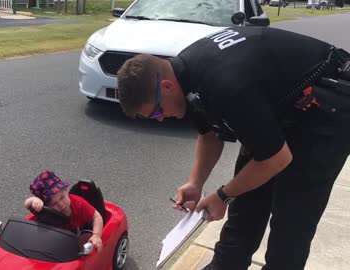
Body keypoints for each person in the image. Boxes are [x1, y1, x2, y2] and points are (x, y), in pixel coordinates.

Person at [116, 26, 350, 270]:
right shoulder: (186, 75)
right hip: (279, 106)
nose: (161, 119)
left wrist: (223, 195)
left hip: (324, 110)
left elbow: (276, 159)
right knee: (245, 204)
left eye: (157, 111)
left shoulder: (226, 84)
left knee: (291, 219)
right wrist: (195, 183)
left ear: (166, 87)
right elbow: (209, 135)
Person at [24, 169, 103, 252]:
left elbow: (96, 217)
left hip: (81, 231)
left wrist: (96, 235)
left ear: (66, 190)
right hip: (58, 238)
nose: (61, 204)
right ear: (46, 206)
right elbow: (27, 204)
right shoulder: (45, 212)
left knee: (86, 241)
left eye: (62, 197)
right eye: (54, 203)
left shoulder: (79, 204)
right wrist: (34, 200)